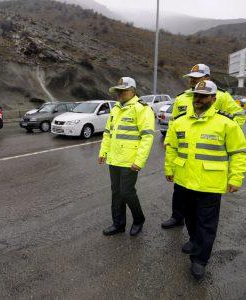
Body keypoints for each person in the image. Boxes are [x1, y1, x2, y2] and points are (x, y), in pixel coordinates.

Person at [164, 80, 246, 279]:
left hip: (210, 183)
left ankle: (200, 259)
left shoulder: (226, 123)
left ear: (213, 98)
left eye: (202, 96)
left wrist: (235, 178)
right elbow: (172, 148)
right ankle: (193, 240)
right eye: (195, 96)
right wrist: (169, 169)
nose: (198, 99)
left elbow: (238, 152)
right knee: (190, 217)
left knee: (207, 224)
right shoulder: (180, 121)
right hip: (184, 181)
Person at [161, 64, 246, 229]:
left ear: (207, 78)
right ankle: (177, 216)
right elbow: (174, 121)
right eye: (191, 77)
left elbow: (238, 114)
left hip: (206, 157)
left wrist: (226, 134)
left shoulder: (220, 96)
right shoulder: (182, 97)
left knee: (202, 202)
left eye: (196, 77)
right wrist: (169, 139)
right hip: (184, 152)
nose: (192, 80)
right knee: (179, 189)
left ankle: (198, 235)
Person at [98, 77, 155, 236]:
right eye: (118, 91)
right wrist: (103, 152)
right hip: (114, 159)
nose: (119, 94)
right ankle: (118, 224)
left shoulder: (142, 108)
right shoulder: (116, 108)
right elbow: (108, 133)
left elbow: (147, 136)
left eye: (123, 91)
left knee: (127, 192)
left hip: (130, 161)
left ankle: (138, 219)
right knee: (116, 192)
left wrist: (139, 161)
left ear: (132, 91)